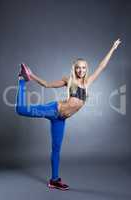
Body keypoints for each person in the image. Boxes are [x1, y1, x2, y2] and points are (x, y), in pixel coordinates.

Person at [15, 39, 121, 191]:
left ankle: (54, 180)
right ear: (74, 68)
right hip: (53, 109)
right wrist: (31, 76)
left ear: (86, 69)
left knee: (56, 148)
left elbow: (102, 66)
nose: (81, 70)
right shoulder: (69, 80)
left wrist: (112, 48)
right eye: (78, 68)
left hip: (60, 119)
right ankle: (22, 80)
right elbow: (46, 84)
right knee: (21, 110)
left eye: (83, 68)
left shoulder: (87, 83)